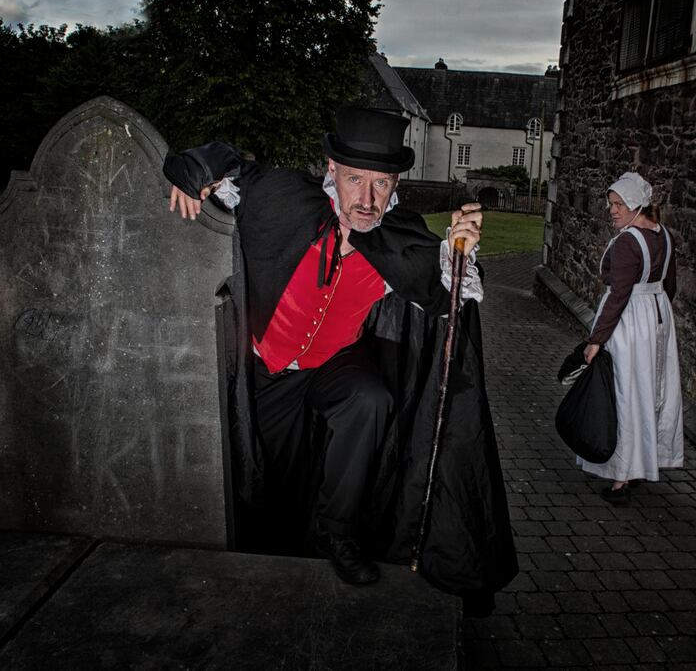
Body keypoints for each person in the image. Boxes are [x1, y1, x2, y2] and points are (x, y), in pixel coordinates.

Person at [163, 107, 517, 611]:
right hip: (269, 370)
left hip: (336, 363)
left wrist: (460, 250)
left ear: (396, 183)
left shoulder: (403, 235)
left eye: (381, 183)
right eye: (355, 180)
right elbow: (222, 160)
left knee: (370, 399)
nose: (367, 199)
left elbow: (446, 302)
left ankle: (338, 533)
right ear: (332, 170)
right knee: (265, 481)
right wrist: (192, 174)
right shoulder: (283, 198)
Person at [580, 172, 684, 505]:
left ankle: (621, 478)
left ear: (636, 205)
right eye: (611, 204)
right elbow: (670, 286)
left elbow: (618, 295)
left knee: (624, 394)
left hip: (630, 322)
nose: (612, 210)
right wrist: (659, 315)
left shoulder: (627, 242)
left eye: (619, 204)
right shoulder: (663, 235)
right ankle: (639, 465)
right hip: (656, 317)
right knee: (649, 391)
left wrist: (596, 339)